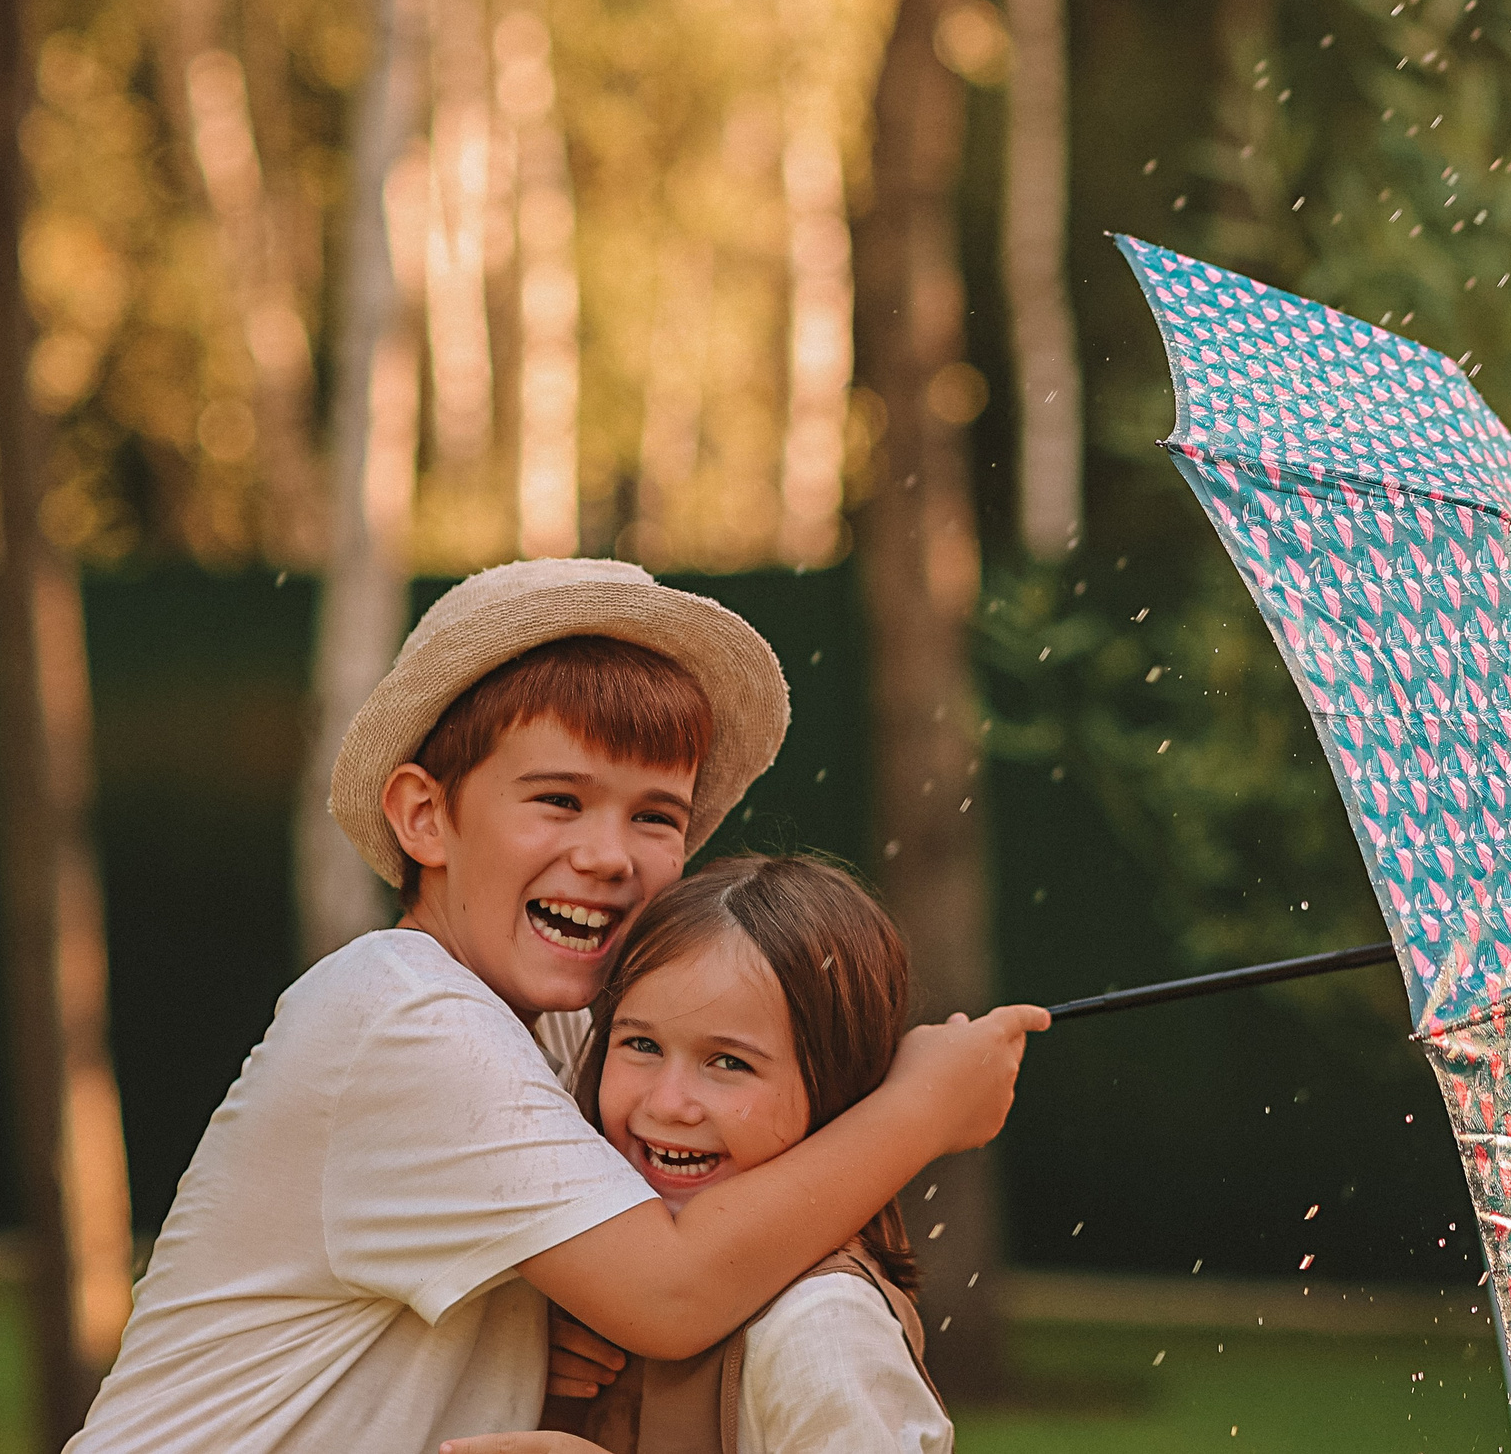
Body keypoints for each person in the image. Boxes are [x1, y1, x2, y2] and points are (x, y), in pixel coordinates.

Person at [67, 559, 1047, 1454]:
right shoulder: (406, 1018)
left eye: (655, 814)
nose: (609, 855)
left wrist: (546, 1332)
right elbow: (671, 1287)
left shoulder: (575, 1025)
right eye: (558, 800)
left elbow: (680, 1244)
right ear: (425, 816)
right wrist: (919, 1111)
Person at [447, 853, 954, 1454]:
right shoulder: (592, 1291)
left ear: (838, 1087)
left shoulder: (822, 1325)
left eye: (729, 1062)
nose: (668, 1103)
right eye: (640, 1043)